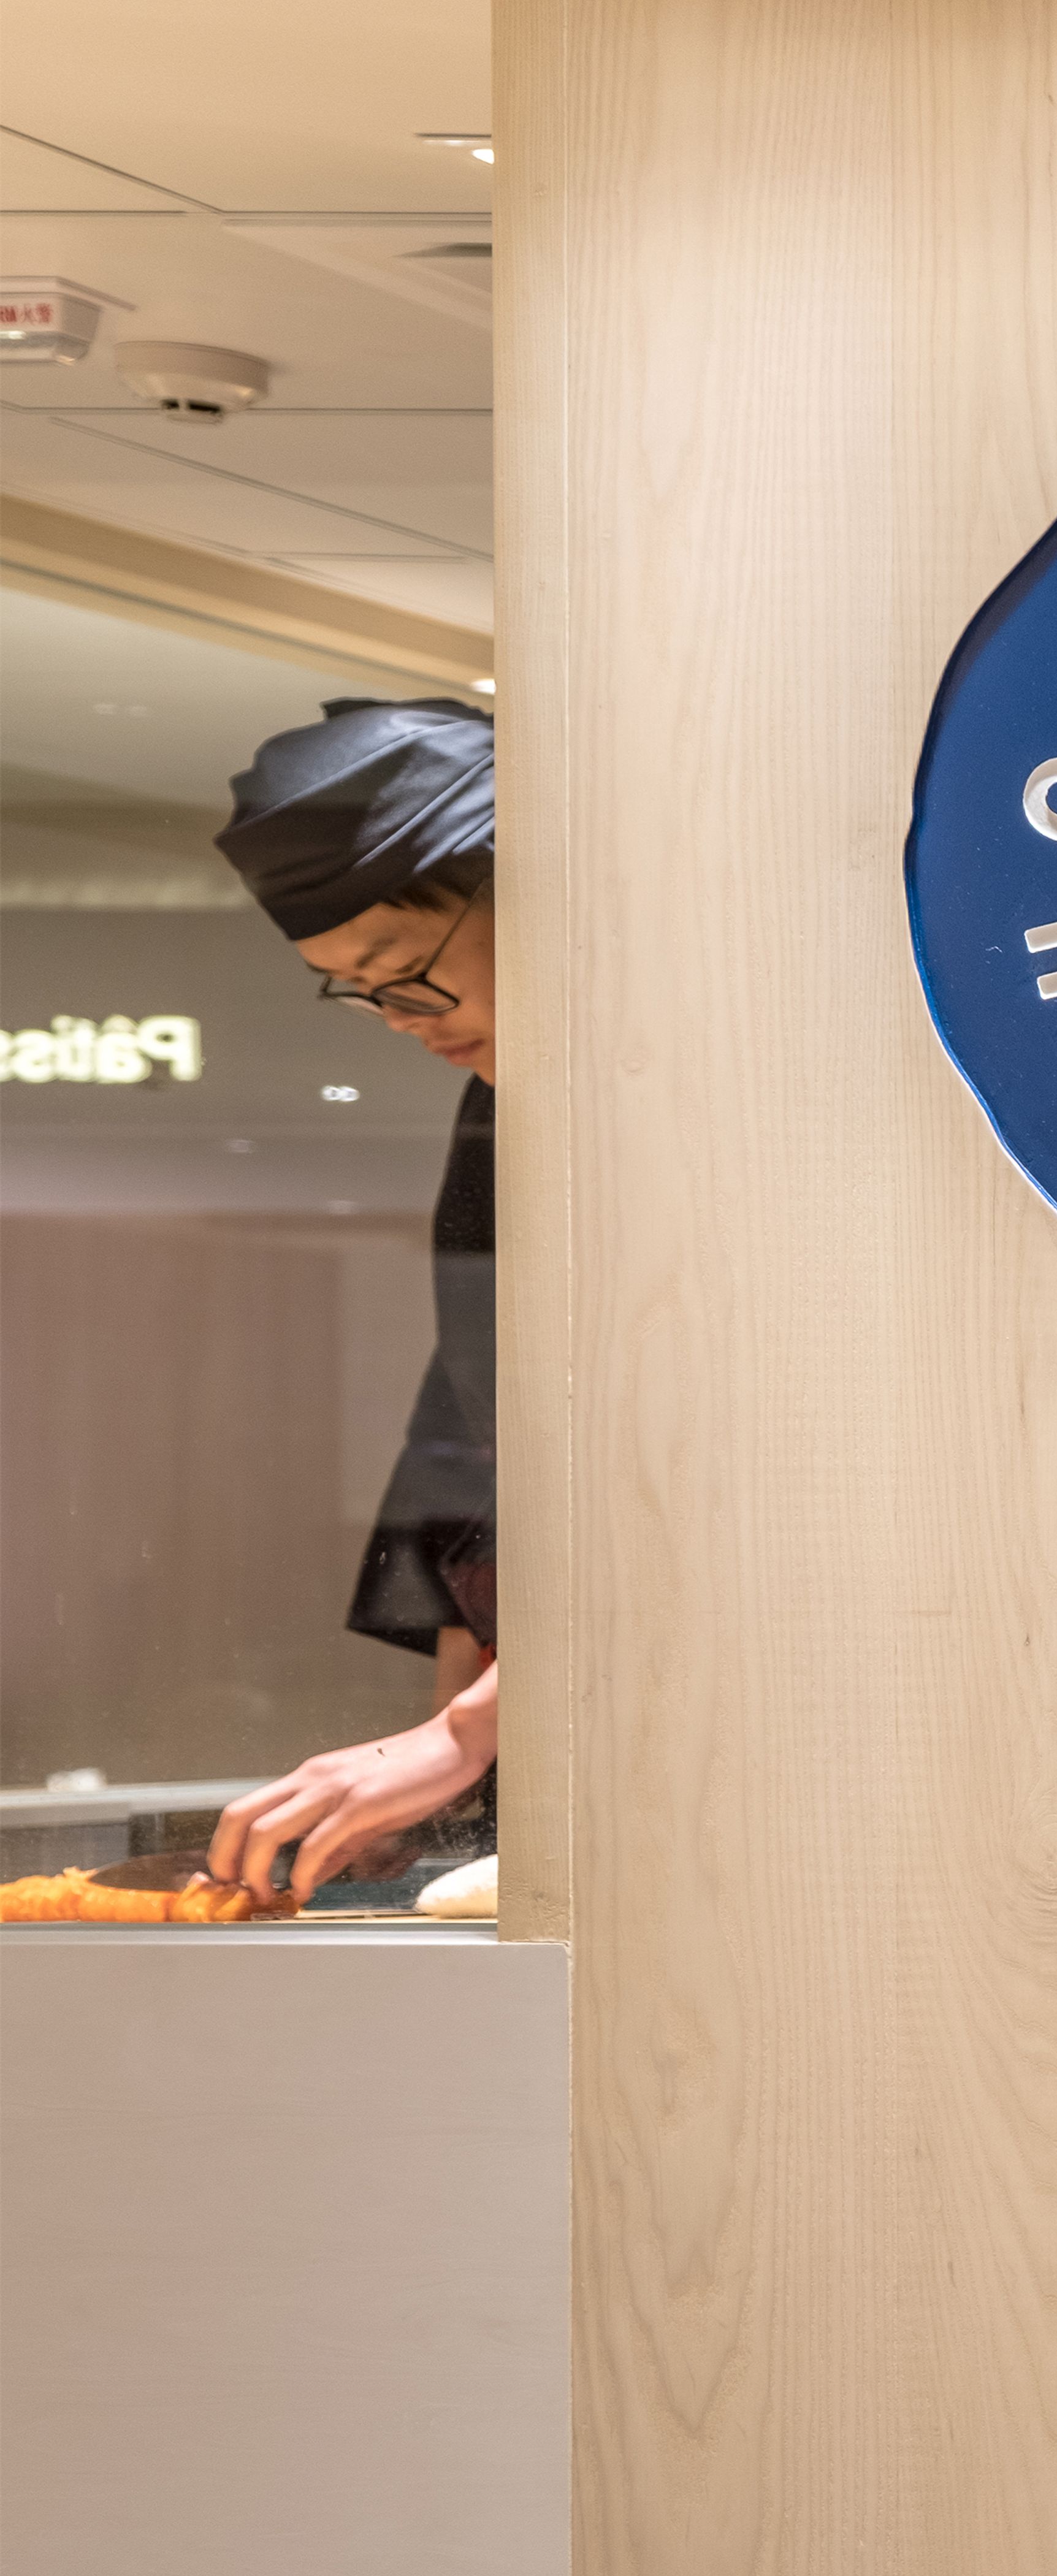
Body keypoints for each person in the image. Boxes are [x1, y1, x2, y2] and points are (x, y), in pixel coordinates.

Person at [203, 698, 502, 1907]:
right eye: (359, 994)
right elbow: (472, 1456)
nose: (400, 1026)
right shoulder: (505, 1107)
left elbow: (725, 1486)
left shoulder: (714, 1094)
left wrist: (466, 1740)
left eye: (405, 978)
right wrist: (454, 1779)